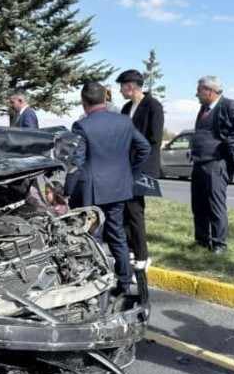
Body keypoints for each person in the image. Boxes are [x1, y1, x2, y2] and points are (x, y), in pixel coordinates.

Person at [65, 81, 151, 297]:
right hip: (119, 189)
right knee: (118, 236)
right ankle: (123, 283)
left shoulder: (82, 125)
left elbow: (77, 162)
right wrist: (131, 173)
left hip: (91, 192)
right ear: (105, 98)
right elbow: (144, 148)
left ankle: (95, 283)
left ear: (83, 101)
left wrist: (67, 189)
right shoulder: (124, 121)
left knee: (92, 238)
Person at [189, 75, 234, 254]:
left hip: (216, 165)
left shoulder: (228, 105)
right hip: (199, 163)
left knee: (215, 206)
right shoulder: (204, 109)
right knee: (198, 205)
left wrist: (228, 143)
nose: (196, 94)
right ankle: (202, 242)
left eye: (199, 91)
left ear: (210, 91)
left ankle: (219, 244)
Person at [116, 69, 165, 269]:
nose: (120, 91)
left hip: (141, 168)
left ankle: (142, 257)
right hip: (124, 167)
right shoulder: (126, 108)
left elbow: (154, 141)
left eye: (121, 86)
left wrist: (139, 168)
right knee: (125, 210)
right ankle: (129, 250)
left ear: (131, 86)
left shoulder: (154, 106)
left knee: (135, 210)